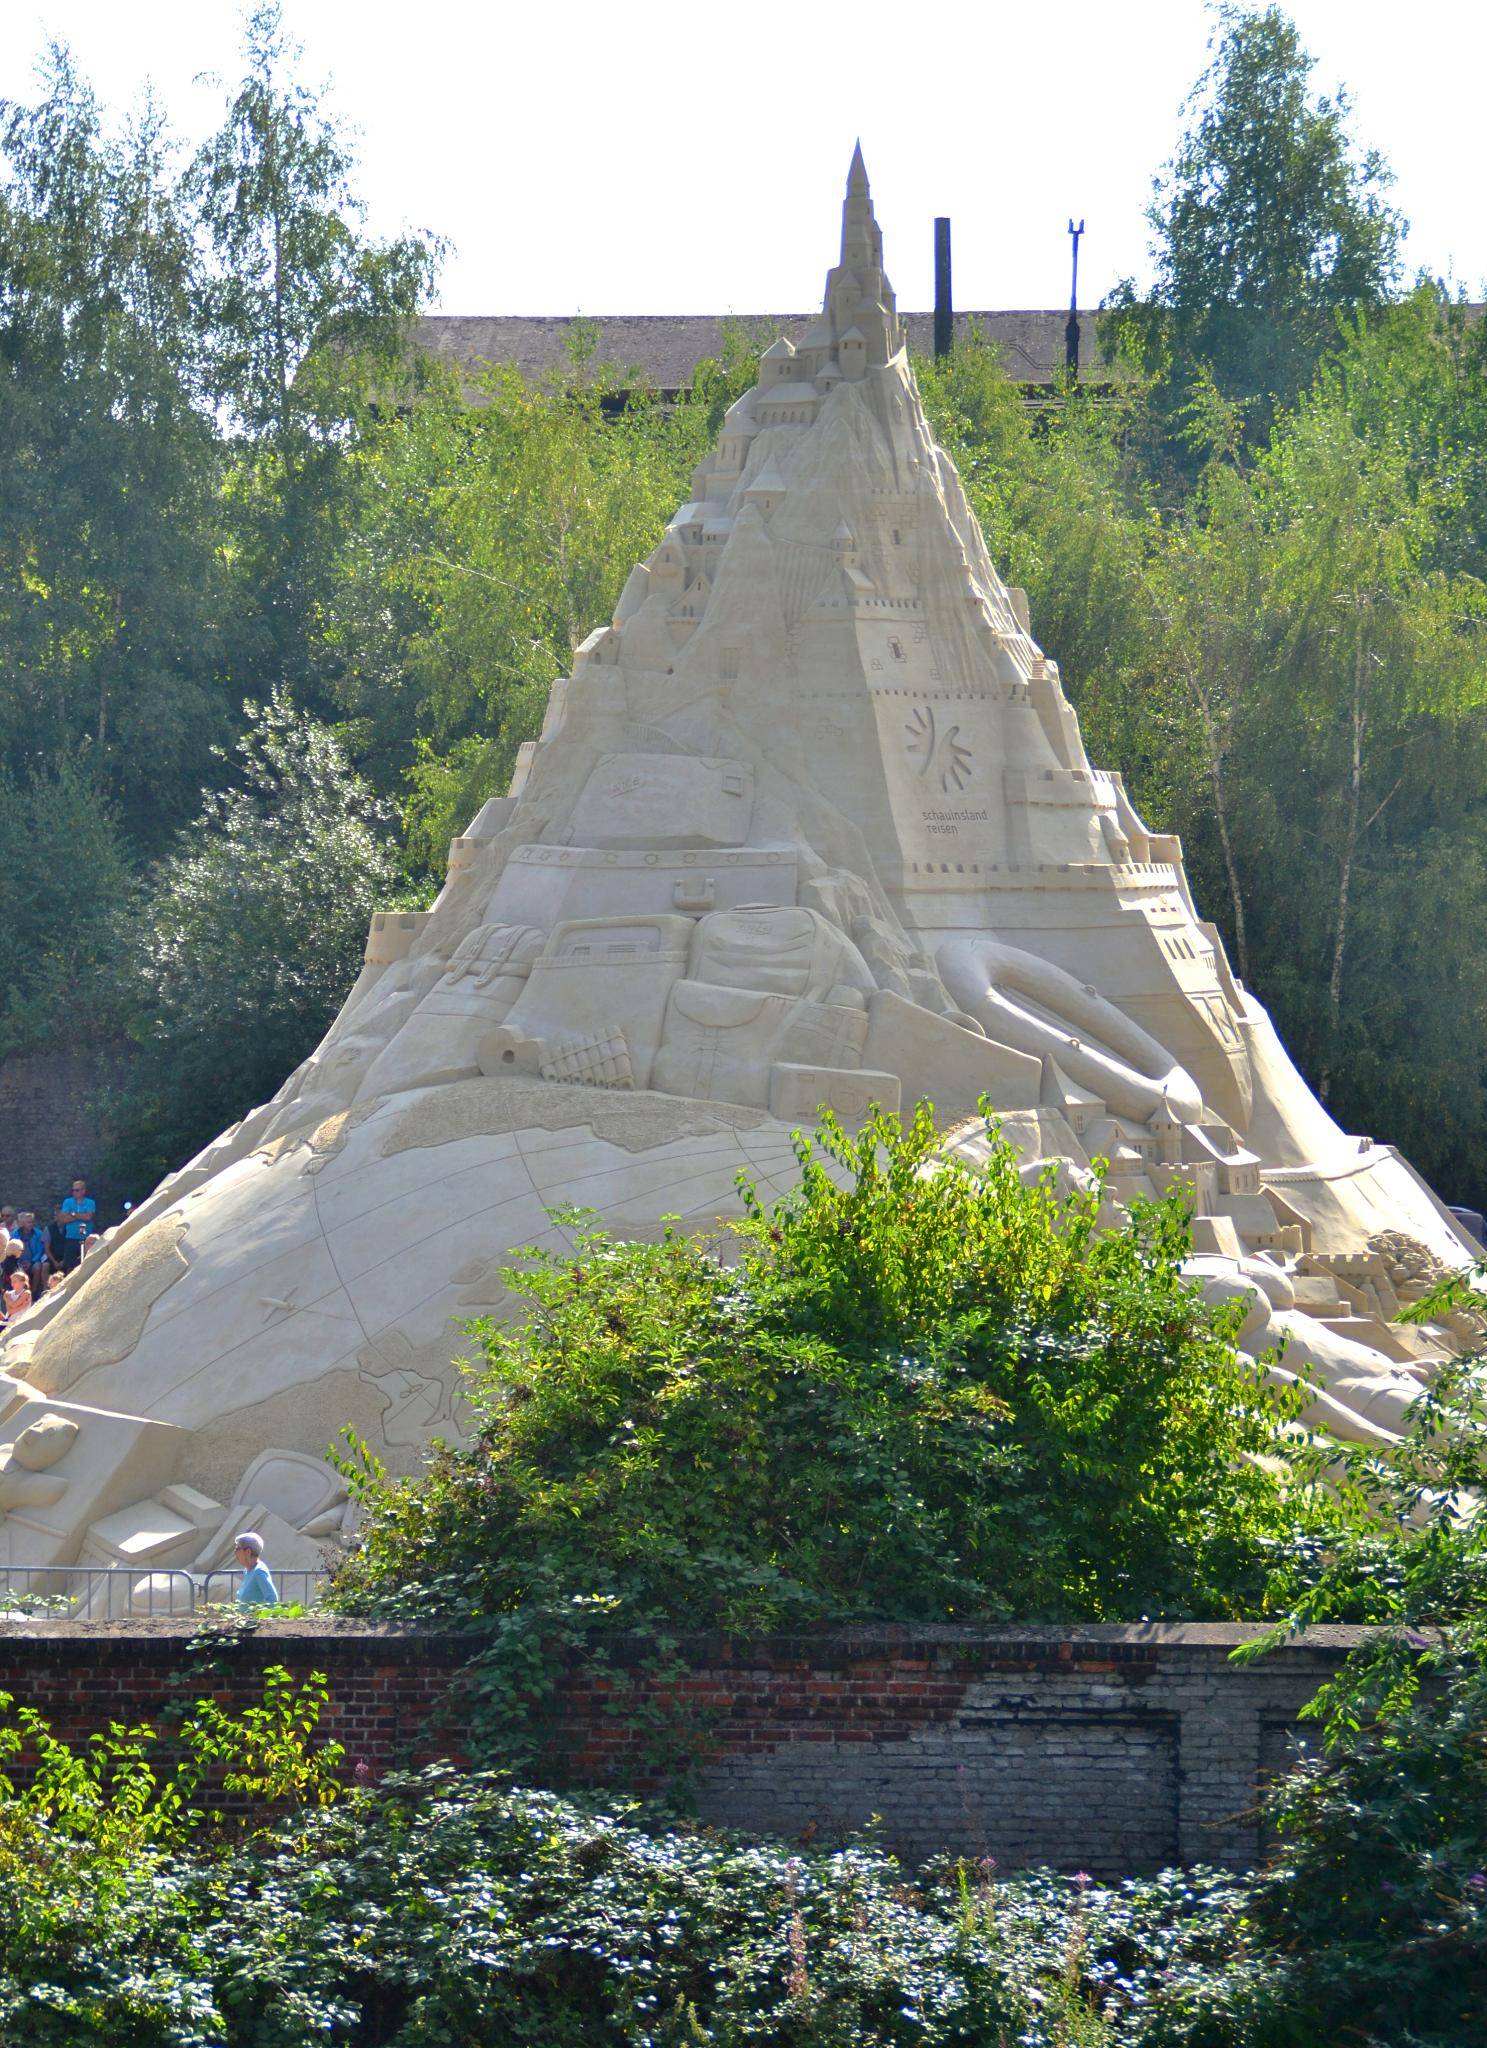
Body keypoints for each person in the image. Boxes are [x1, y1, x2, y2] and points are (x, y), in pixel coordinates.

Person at [58, 1179, 96, 1272]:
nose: (74, 1192)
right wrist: (81, 1215)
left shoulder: (90, 1202)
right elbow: (64, 1219)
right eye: (73, 1190)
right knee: (69, 1266)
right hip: (71, 1237)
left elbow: (88, 1217)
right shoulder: (67, 1202)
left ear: (83, 1191)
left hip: (86, 1239)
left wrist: (73, 1214)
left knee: (86, 1264)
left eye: (77, 1190)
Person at [232, 1531, 278, 1607]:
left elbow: (272, 1599)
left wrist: (259, 1615)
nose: (235, 1552)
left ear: (248, 1552)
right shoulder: (248, 1571)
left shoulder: (259, 1572)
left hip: (253, 1619)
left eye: (237, 1548)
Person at [16, 1212, 47, 1293]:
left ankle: (32, 1292)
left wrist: (31, 1262)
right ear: (23, 1223)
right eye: (29, 1222)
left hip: (33, 1262)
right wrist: (19, 1262)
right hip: (19, 1262)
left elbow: (40, 1251)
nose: (31, 1224)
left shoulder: (39, 1234)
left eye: (32, 1222)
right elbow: (13, 1250)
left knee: (37, 1267)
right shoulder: (15, 1234)